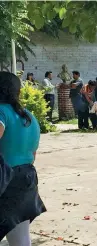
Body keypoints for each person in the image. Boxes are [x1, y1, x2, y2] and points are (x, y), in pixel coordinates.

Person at [0, 71, 46, 244]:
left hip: (5, 180)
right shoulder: (29, 117)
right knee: (20, 238)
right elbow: (32, 155)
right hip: (27, 178)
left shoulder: (1, 112)